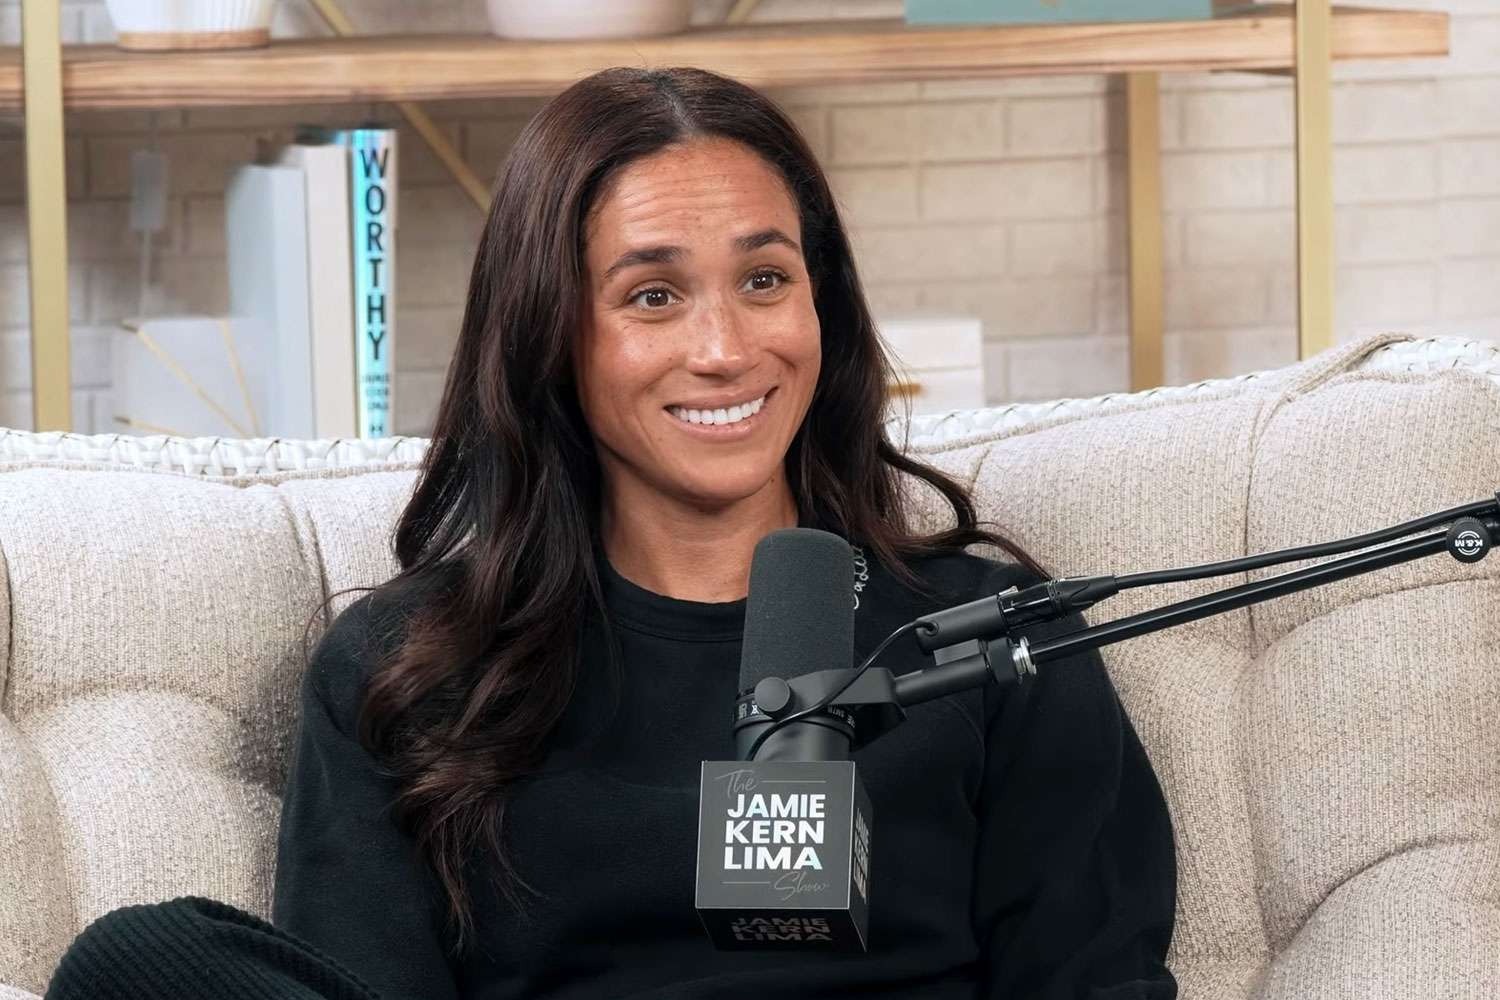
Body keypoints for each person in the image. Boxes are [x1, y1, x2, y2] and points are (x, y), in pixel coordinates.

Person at [47, 65, 1177, 1000]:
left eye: (765, 279)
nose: (725, 349)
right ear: (550, 331)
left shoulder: (985, 644)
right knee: (144, 958)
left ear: (819, 307)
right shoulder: (411, 670)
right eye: (653, 296)